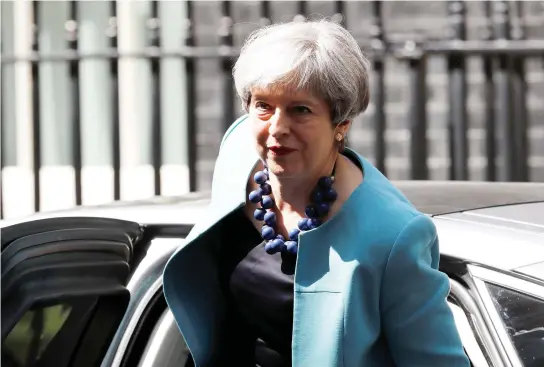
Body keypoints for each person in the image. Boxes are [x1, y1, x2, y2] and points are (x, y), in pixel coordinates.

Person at [163, 19, 469, 367]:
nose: (277, 128)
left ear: (341, 124)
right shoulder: (238, 156)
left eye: (301, 110)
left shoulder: (392, 235)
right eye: (263, 105)